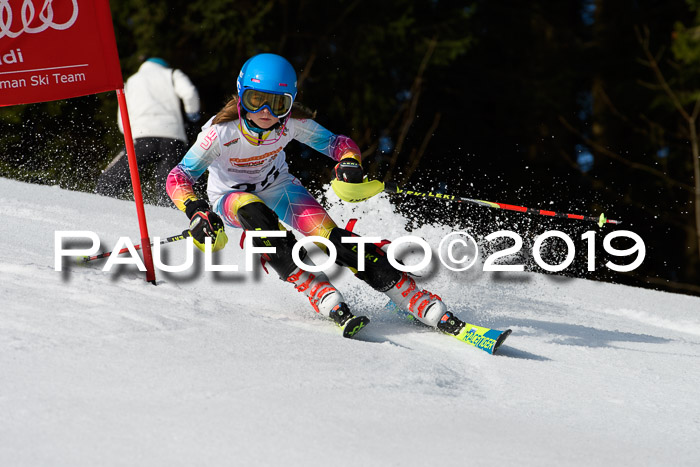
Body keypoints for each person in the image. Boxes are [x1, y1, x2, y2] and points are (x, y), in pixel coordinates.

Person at [166, 53, 467, 338]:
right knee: (255, 214)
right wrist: (195, 210)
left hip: (278, 186)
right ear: (241, 96)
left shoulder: (293, 124)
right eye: (256, 101)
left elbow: (339, 144)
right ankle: (317, 289)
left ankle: (410, 295)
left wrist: (349, 162)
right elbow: (179, 176)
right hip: (230, 197)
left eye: (277, 104)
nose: (265, 114)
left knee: (332, 238)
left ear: (290, 103)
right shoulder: (219, 134)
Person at [96, 57, 201, 206]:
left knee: (110, 181)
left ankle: (100, 206)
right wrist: (193, 117)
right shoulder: (172, 74)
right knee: (171, 190)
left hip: (141, 138)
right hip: (173, 138)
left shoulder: (132, 81)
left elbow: (122, 120)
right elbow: (190, 93)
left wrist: (132, 134)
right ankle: (171, 216)